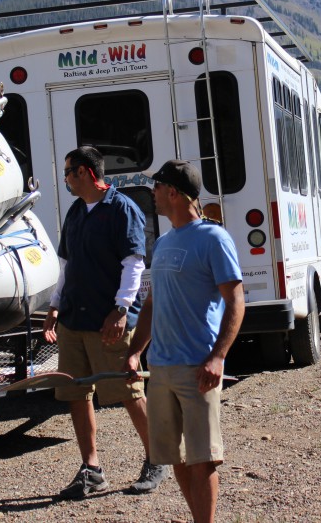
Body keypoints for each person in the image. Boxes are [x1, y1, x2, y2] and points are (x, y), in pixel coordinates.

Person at [42, 146, 169, 499]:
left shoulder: (122, 209)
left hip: (107, 319)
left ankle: (157, 458)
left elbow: (134, 263)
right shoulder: (76, 212)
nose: (65, 179)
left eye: (68, 172)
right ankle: (92, 469)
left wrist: (120, 308)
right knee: (76, 393)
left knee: (128, 392)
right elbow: (66, 265)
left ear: (84, 172)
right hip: (74, 319)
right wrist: (54, 306)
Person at [124, 160, 245, 523]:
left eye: (157, 189)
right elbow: (151, 303)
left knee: (202, 457)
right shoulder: (162, 243)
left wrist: (218, 357)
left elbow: (236, 301)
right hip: (160, 368)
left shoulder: (213, 238)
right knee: (171, 456)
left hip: (198, 368)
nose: (154, 196)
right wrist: (135, 353)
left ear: (173, 192)